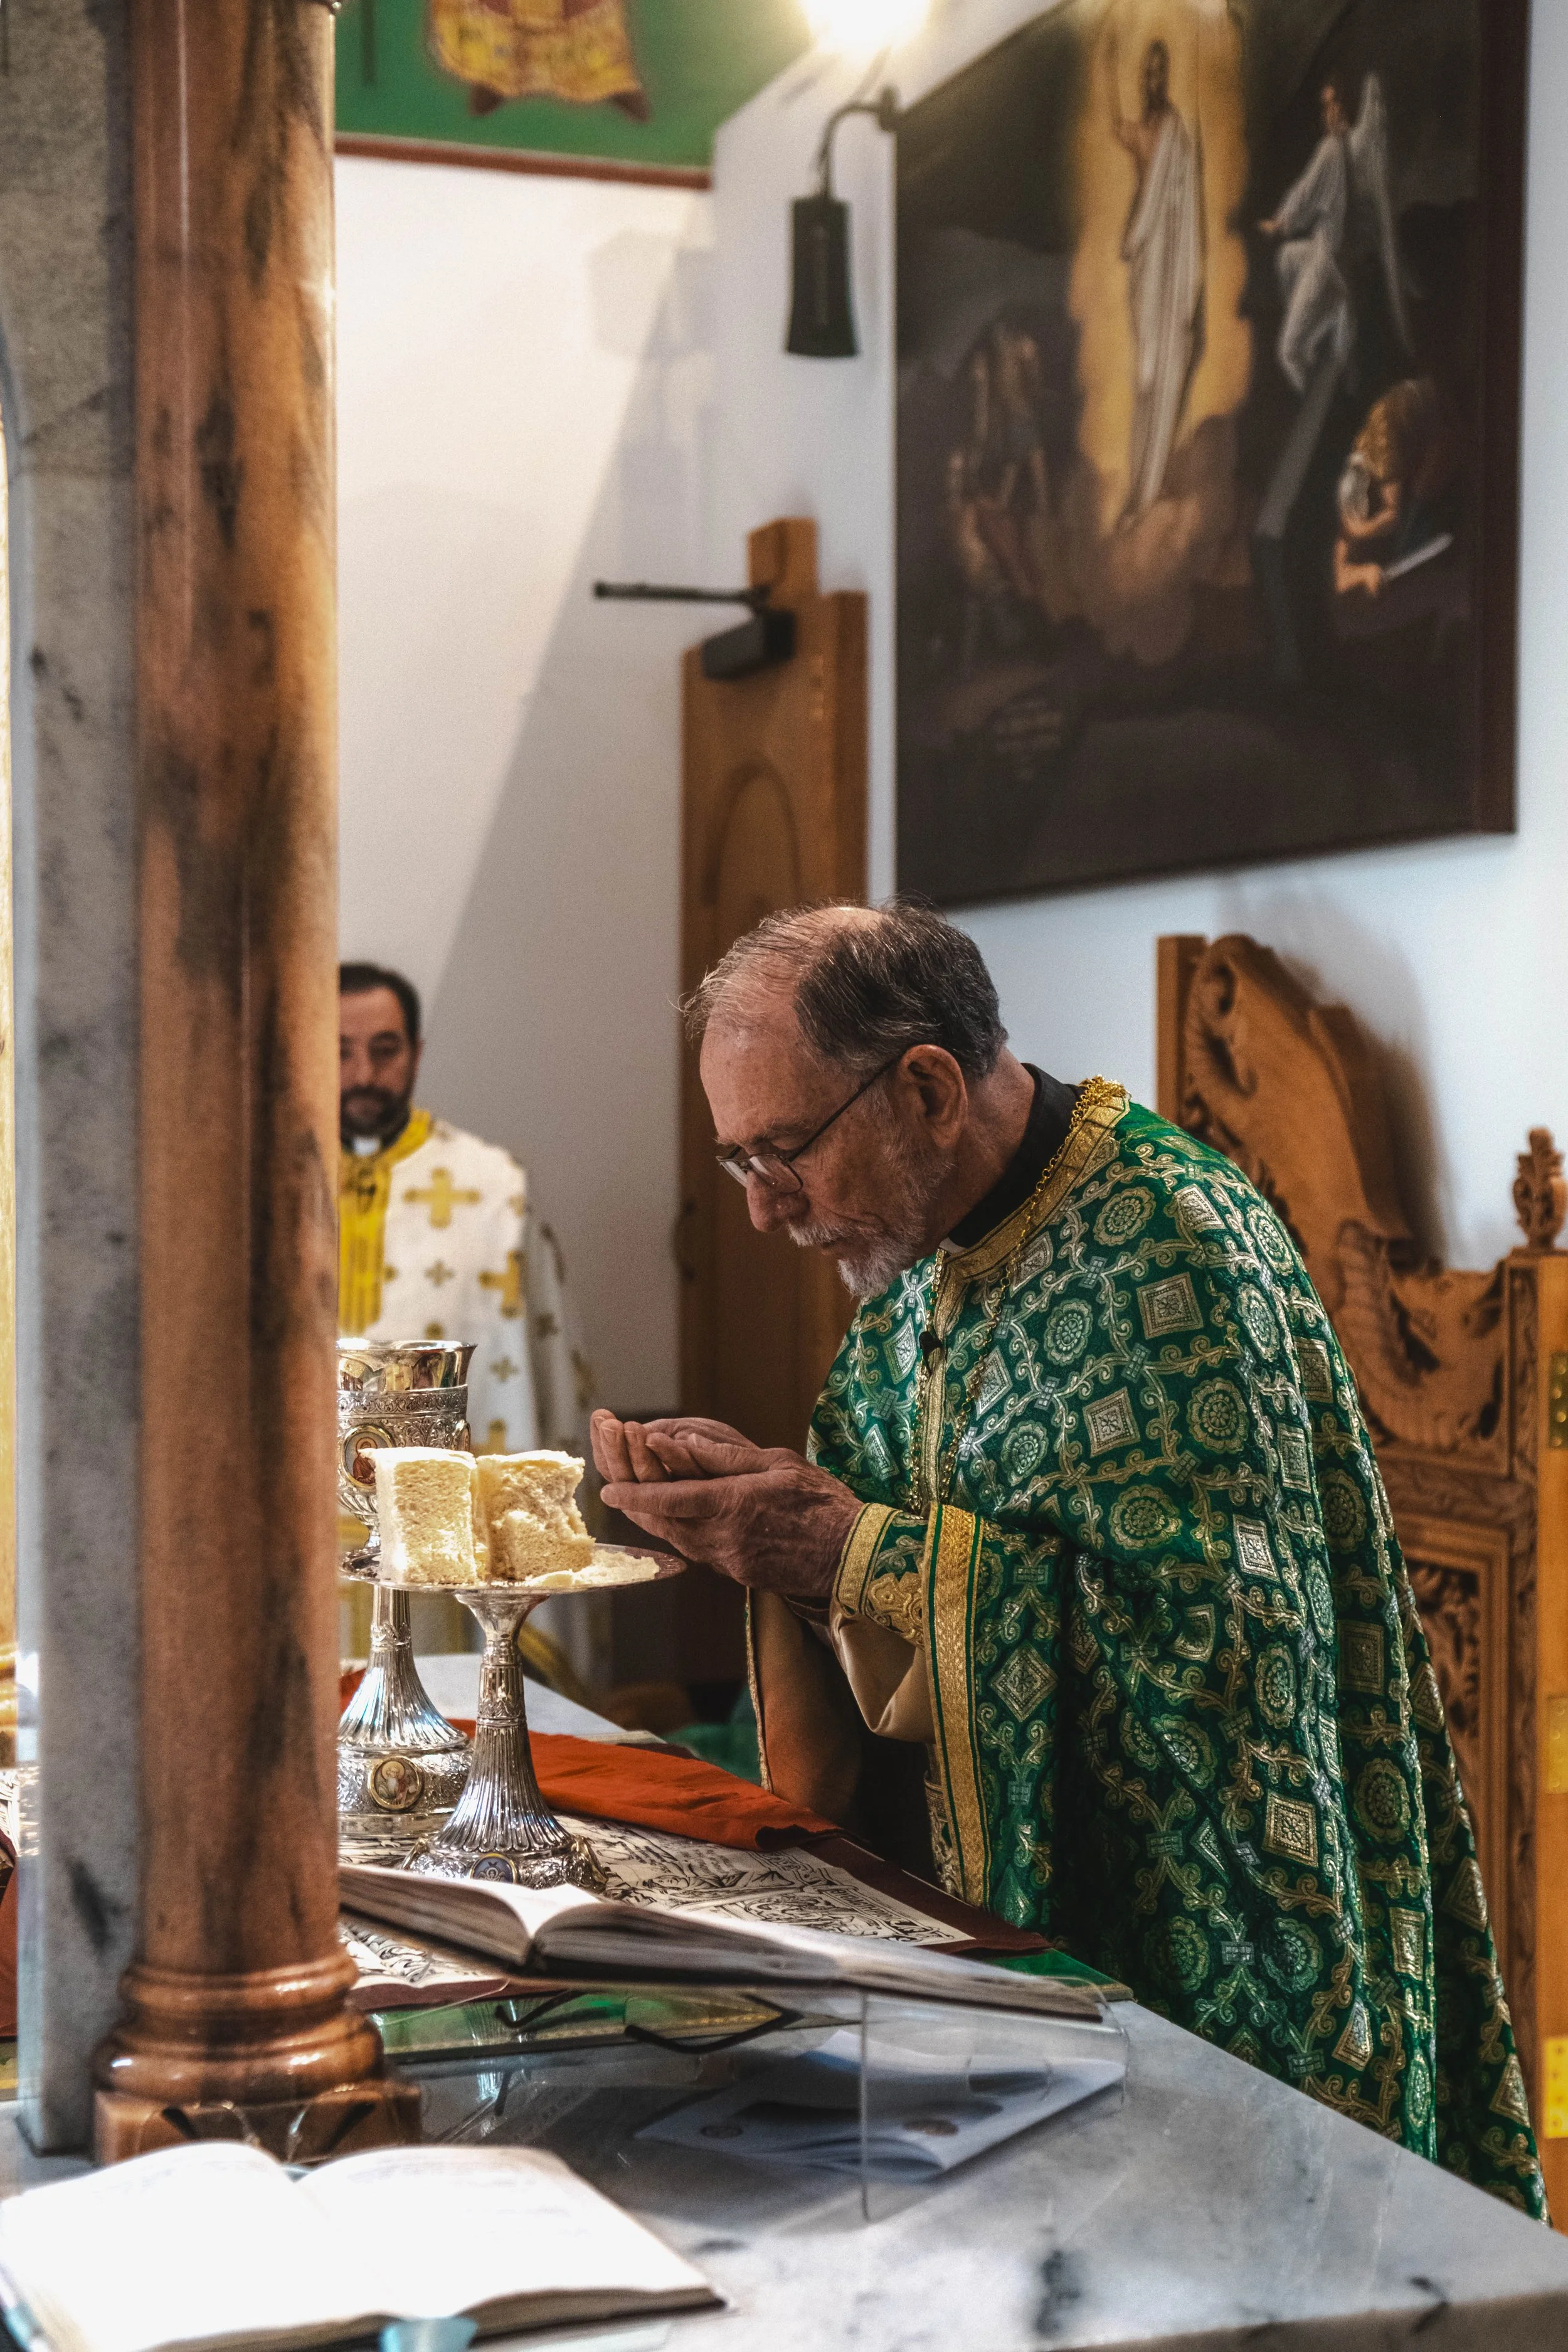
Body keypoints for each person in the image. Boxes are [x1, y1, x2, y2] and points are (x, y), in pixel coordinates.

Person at [591, 901, 1545, 2216]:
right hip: (975, 1978)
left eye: (783, 1155)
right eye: (737, 1163)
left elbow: (1214, 1687)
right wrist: (773, 1520)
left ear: (923, 1088)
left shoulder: (1176, 1256)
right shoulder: (918, 1257)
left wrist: (842, 1551)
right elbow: (874, 1519)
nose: (762, 1214)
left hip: (1210, 1987)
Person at [338, 961, 591, 1459]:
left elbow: (551, 1366)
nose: (363, 1074)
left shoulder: (495, 1189)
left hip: (448, 1501)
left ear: (417, 1054)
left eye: (385, 1050)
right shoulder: (265, 1192)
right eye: (339, 1052)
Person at [1109, 33, 1203, 519]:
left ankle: (1145, 492)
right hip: (1144, 263)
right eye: (1146, 71)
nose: (1152, 79)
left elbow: (1169, 203)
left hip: (1162, 261)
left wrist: (1138, 235)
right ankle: (1138, 487)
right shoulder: (1146, 126)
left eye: (1159, 72)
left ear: (1166, 77)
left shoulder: (1172, 129)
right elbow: (1115, 127)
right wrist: (1107, 66)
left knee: (1155, 370)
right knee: (1144, 376)